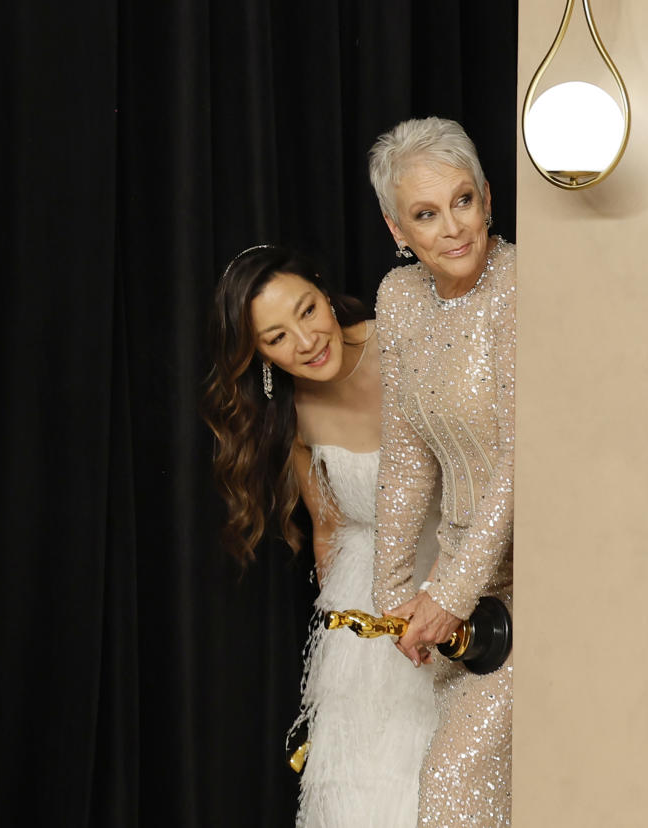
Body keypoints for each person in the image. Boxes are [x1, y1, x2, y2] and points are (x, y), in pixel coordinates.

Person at [203, 245, 436, 827]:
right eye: (276, 338)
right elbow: (329, 526)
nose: (305, 342)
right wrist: (345, 646)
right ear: (257, 354)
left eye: (307, 311)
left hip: (456, 570)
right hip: (368, 608)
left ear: (323, 291)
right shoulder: (290, 413)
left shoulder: (410, 340)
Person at [368, 116, 515, 826]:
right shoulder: (398, 300)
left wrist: (450, 592)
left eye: (463, 200)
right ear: (398, 229)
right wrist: (395, 592)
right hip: (463, 590)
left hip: (537, 579)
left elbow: (527, 453)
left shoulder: (522, 286)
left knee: (455, 786)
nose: (453, 227)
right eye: (426, 214)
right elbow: (404, 452)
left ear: (488, 197)